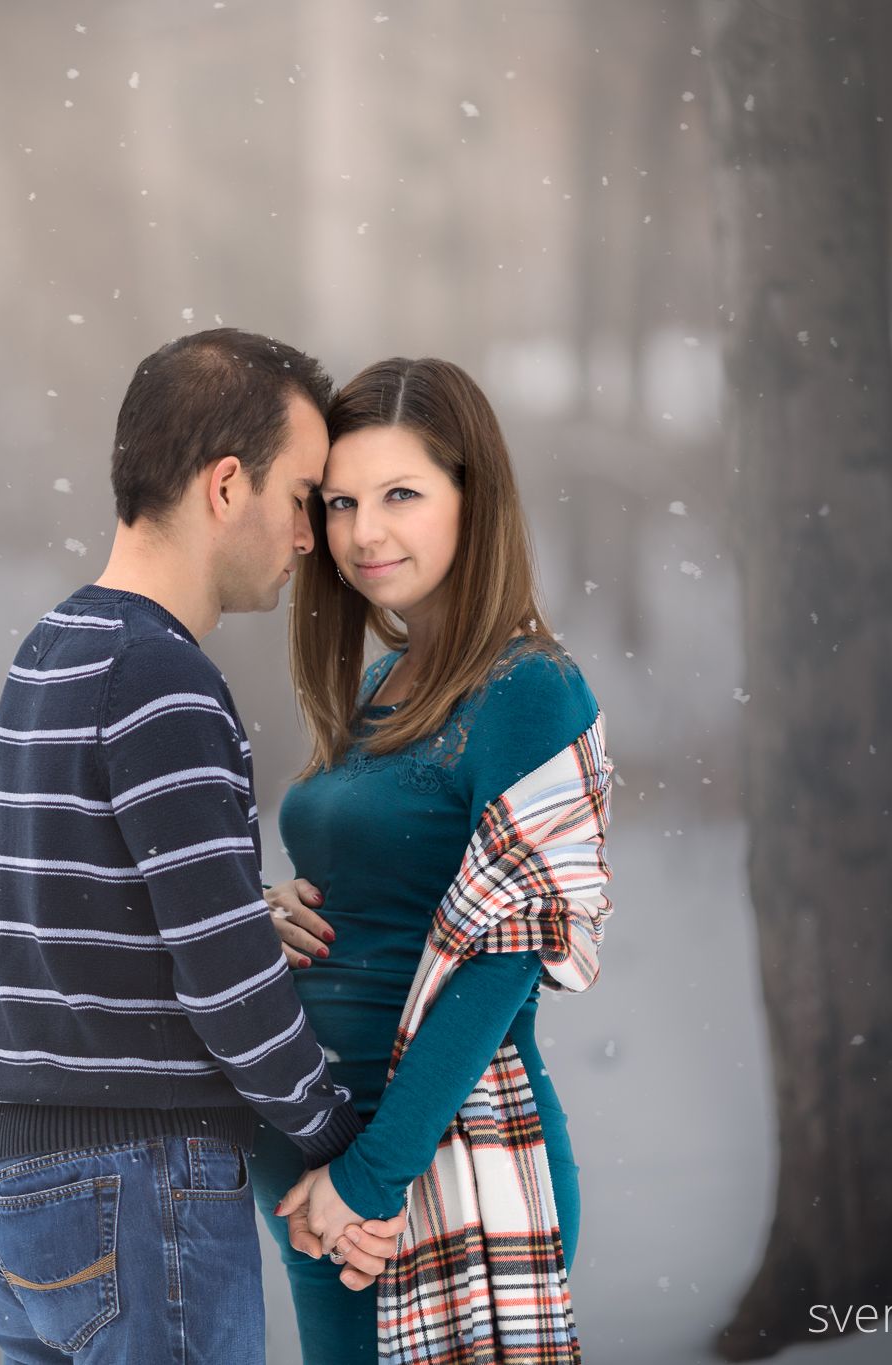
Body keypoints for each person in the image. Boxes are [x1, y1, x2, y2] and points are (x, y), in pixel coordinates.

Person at [0, 329, 402, 1364]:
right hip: (135, 1188)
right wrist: (344, 1146)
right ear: (226, 485)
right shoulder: (164, 682)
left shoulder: (50, 652)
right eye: (300, 499)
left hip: (8, 1196)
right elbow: (227, 991)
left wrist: (239, 909)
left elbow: (90, 917)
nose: (308, 539)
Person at [250, 357, 616, 1362]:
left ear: (473, 497)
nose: (363, 533)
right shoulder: (382, 684)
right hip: (323, 1170)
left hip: (423, 1170)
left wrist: (371, 1178)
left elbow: (502, 955)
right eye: (339, 503)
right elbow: (381, 886)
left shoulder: (527, 691)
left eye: (400, 495)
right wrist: (268, 911)